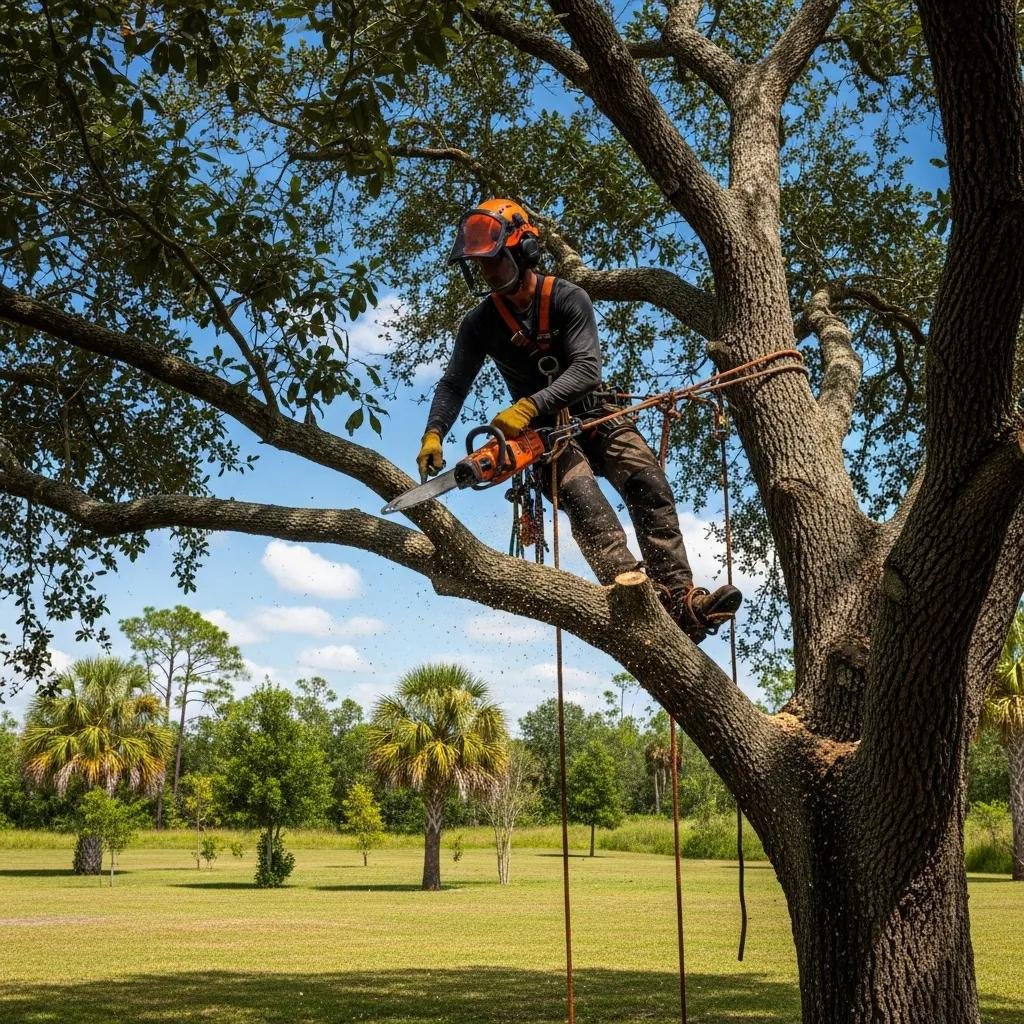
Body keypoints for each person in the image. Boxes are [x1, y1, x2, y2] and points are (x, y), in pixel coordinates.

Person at [416, 198, 741, 643]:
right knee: (586, 503)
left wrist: (528, 404)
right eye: (481, 266)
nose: (488, 274)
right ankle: (637, 601)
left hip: (597, 413)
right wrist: (434, 433)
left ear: (523, 251)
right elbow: (454, 383)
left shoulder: (568, 297)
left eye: (494, 261)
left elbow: (587, 370)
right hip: (546, 438)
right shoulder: (479, 323)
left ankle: (681, 598)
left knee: (649, 484)